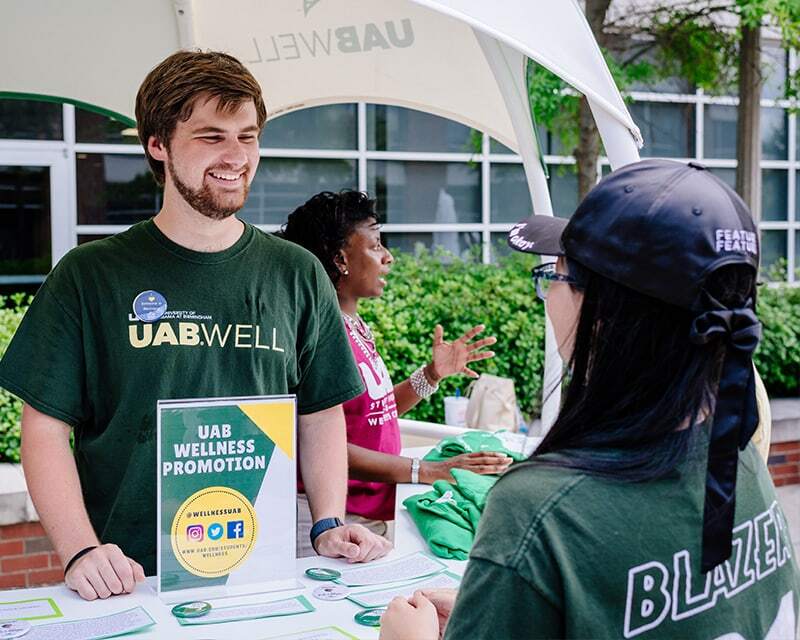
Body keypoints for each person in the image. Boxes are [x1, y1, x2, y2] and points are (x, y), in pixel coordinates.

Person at [0, 51, 391, 602]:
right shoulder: (91, 275)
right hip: (128, 582)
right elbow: (43, 428)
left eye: (248, 136)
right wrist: (81, 550)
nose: (236, 157)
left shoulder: (296, 272)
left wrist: (327, 522)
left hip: (262, 574)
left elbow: (321, 410)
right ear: (158, 144)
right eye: (211, 137)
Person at [379, 159, 800, 639]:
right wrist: (503, 599)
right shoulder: (739, 457)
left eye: (552, 277)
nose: (547, 296)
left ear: (602, 313)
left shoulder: (541, 512)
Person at [279, 191, 512, 554]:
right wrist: (424, 470)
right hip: (331, 520)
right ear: (340, 259)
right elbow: (320, 442)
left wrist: (431, 375)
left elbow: (374, 415)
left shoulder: (351, 323)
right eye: (375, 246)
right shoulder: (315, 332)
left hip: (367, 515)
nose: (388, 258)